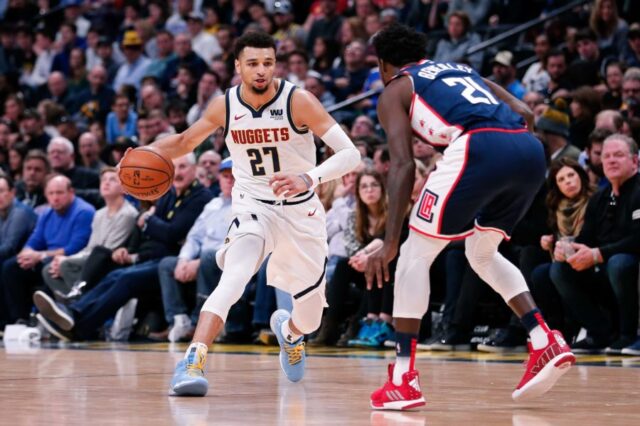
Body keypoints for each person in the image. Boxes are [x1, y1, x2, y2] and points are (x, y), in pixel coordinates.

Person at [365, 24, 575, 410]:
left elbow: (401, 165)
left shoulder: (396, 87)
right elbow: (526, 112)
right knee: (480, 252)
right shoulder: (460, 69)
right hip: (528, 149)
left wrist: (390, 241)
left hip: (477, 145)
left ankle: (402, 378)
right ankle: (544, 339)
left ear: (382, 64)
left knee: (414, 254)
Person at [142, 31, 359, 396]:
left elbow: (350, 154)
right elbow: (182, 142)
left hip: (301, 211)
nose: (261, 71)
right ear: (238, 66)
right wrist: (144, 151)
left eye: (268, 63)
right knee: (235, 276)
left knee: (310, 317)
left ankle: (289, 334)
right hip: (254, 206)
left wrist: (309, 177)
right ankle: (192, 361)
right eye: (253, 63)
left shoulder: (298, 101)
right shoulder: (224, 105)